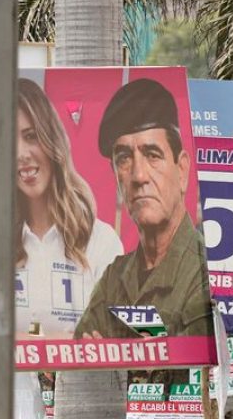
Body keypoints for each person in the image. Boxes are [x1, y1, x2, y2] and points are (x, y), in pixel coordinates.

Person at [74, 78, 213, 342]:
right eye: (124, 158)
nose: (138, 176)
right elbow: (82, 354)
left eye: (152, 155)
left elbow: (220, 360)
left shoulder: (209, 272)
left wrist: (118, 355)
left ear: (182, 170)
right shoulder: (114, 278)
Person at [14, 78, 123, 338]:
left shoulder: (101, 240)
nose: (21, 154)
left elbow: (134, 330)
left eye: (31, 136)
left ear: (51, 141)